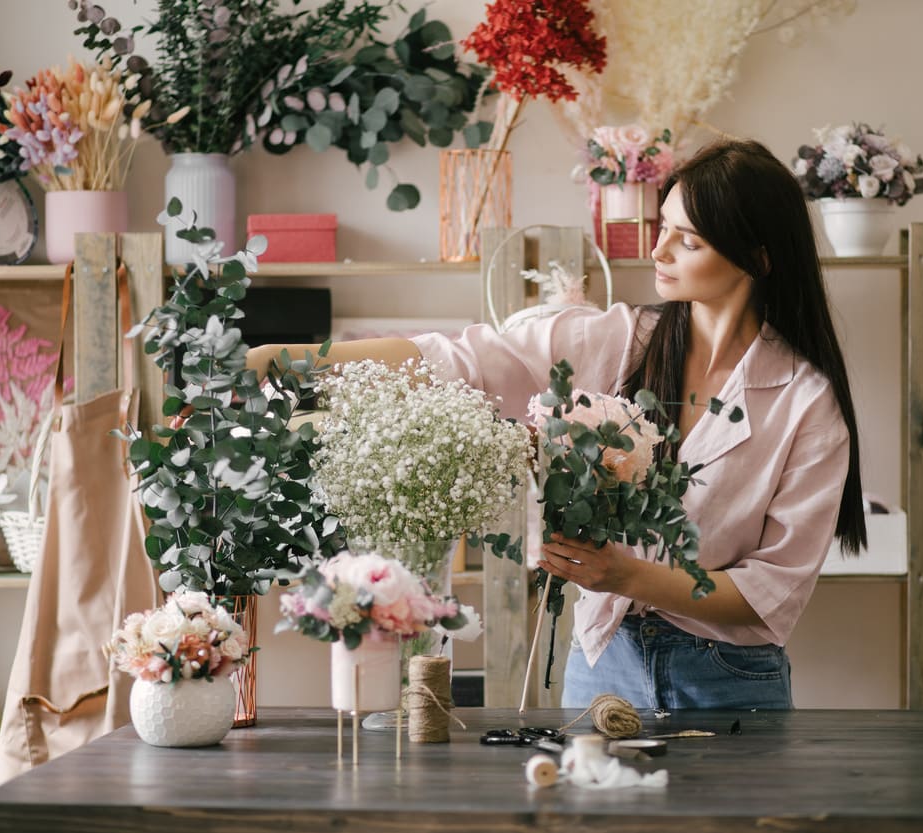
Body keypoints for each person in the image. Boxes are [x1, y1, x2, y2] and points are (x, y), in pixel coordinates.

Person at [247, 138, 866, 711]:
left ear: (756, 258)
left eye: (688, 240)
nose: (657, 250)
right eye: (663, 229)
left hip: (730, 682)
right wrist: (285, 361)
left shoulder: (806, 403)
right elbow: (457, 357)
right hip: (604, 666)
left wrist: (624, 575)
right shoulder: (616, 340)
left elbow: (770, 593)